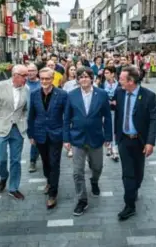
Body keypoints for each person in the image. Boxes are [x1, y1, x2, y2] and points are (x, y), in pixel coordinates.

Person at [63, 67, 112, 216]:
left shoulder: (102, 94)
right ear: (77, 79)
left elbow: (108, 117)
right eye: (80, 77)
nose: (83, 79)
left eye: (86, 76)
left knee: (97, 166)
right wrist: (66, 138)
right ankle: (82, 200)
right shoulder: (71, 95)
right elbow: (66, 119)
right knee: (77, 172)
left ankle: (94, 181)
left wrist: (108, 137)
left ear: (92, 78)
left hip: (96, 137)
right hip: (77, 138)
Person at [114, 66, 156, 221]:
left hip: (140, 141)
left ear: (131, 81)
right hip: (124, 140)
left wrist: (150, 142)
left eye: (121, 79)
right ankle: (129, 205)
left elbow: (153, 120)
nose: (119, 82)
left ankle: (134, 189)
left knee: (138, 172)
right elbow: (117, 112)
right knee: (128, 173)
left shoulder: (148, 96)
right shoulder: (119, 92)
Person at [0, 65, 29, 200]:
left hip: (18, 129)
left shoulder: (27, 90)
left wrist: (24, 120)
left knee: (16, 160)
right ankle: (4, 176)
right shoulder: (0, 86)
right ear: (15, 75)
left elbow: (26, 109)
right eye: (24, 76)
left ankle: (13, 188)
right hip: (0, 128)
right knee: (2, 159)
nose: (27, 78)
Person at [28, 67, 68, 209]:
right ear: (39, 78)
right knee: (45, 162)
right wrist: (31, 135)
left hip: (56, 134)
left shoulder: (62, 95)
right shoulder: (33, 94)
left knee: (54, 162)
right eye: (42, 78)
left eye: (48, 78)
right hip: (39, 134)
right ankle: (49, 181)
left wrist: (66, 135)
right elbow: (31, 116)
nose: (45, 81)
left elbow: (67, 116)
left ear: (52, 79)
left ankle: (53, 194)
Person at [99, 66, 119, 161]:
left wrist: (116, 101)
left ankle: (114, 149)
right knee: (107, 127)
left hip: (115, 109)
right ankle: (109, 146)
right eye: (105, 73)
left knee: (115, 128)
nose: (105, 75)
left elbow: (120, 95)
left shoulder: (118, 84)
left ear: (112, 74)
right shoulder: (102, 84)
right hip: (105, 110)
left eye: (107, 73)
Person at [26, 63, 41, 173]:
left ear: (37, 72)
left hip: (39, 116)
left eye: (33, 70)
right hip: (27, 116)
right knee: (33, 138)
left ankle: (33, 160)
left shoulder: (41, 83)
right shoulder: (23, 83)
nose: (30, 73)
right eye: (29, 70)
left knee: (35, 138)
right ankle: (34, 157)